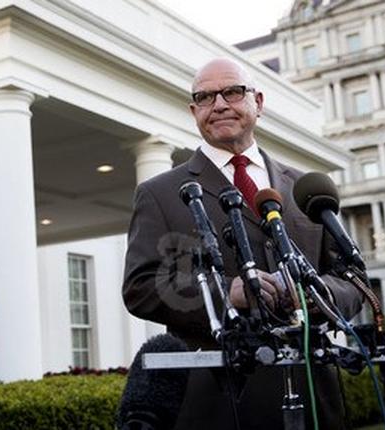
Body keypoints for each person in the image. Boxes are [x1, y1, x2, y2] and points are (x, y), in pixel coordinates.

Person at [122, 58, 363, 429]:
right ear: (194, 111)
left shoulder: (307, 188)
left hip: (314, 393)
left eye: (233, 92)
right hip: (216, 402)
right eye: (204, 97)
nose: (218, 104)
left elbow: (352, 281)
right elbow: (141, 287)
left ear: (259, 102)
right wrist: (225, 295)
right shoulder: (160, 193)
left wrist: (309, 293)